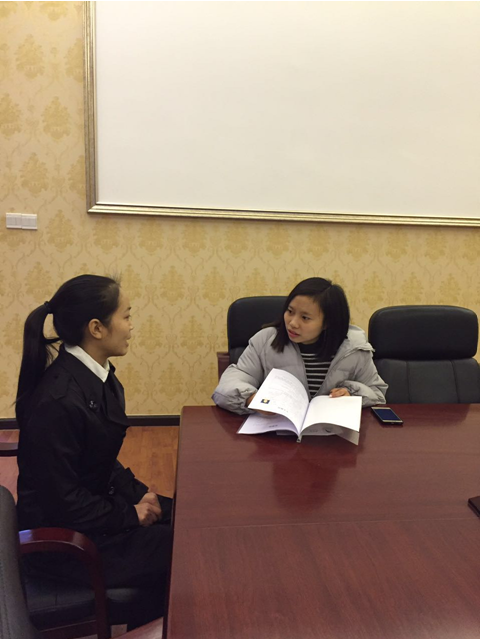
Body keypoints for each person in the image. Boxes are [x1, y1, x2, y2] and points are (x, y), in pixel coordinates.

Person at [15, 274, 172, 628]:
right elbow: (63, 503)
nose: (131, 326)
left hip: (91, 516)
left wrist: (141, 495)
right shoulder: (57, 401)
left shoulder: (96, 375)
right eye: (126, 316)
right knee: (180, 546)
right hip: (63, 547)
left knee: (182, 515)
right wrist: (130, 515)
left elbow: (100, 458)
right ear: (97, 328)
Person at [212, 277, 387, 414]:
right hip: (275, 436)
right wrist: (252, 399)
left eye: (305, 318)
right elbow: (228, 386)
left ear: (328, 323)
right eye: (290, 311)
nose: (292, 323)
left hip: (333, 437)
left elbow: (377, 393)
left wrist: (352, 393)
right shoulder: (265, 341)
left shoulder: (354, 349)